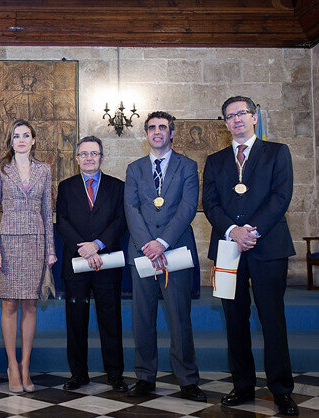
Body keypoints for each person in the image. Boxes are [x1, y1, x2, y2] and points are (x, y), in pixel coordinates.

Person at [203, 96, 298, 416]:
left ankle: (282, 390)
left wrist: (251, 232)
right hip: (228, 251)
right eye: (229, 116)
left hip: (268, 246)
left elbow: (281, 196)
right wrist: (233, 232)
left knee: (273, 320)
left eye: (241, 113)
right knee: (234, 320)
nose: (236, 120)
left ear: (255, 117)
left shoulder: (277, 152)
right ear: (225, 123)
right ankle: (242, 385)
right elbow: (211, 203)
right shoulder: (214, 160)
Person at [124, 111, 206, 401]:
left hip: (175, 252)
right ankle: (145, 377)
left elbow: (187, 207)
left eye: (162, 127)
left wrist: (162, 241)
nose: (156, 132)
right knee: (143, 318)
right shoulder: (134, 169)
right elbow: (131, 209)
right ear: (146, 134)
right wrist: (148, 243)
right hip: (143, 253)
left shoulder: (188, 166)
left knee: (180, 318)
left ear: (172, 133)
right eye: (151, 128)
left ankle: (187, 380)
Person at [0, 119, 56, 393]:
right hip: (7, 243)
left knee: (30, 305)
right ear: (11, 141)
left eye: (26, 135)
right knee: (9, 305)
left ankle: (26, 366)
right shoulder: (0, 170)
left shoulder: (44, 170)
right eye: (16, 136)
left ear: (33, 140)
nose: (22, 140)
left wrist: (50, 250)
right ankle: (12, 366)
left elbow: (47, 212)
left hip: (36, 243)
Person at [56, 136, 127, 392]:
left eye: (94, 153)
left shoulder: (118, 187)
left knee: (111, 320)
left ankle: (115, 374)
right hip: (76, 265)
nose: (89, 158)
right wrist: (84, 248)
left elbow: (120, 221)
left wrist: (97, 245)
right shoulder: (65, 187)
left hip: (107, 262)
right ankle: (78, 374)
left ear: (102, 157)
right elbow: (62, 221)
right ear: (76, 159)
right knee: (76, 320)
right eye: (84, 154)